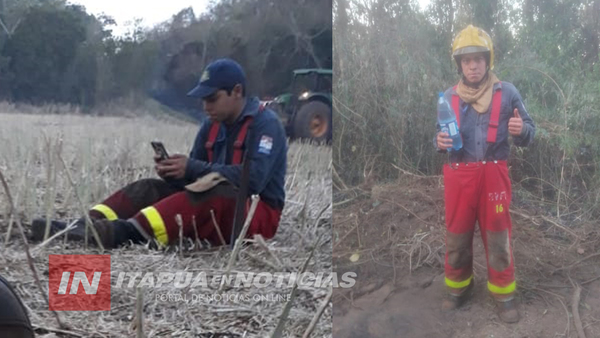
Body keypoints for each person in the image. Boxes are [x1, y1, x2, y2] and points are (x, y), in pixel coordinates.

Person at [31, 58, 287, 248]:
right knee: (147, 188)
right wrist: (174, 173)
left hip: (256, 217)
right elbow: (194, 182)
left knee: (216, 193)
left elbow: (252, 180)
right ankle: (83, 225)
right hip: (214, 205)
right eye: (203, 100)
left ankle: (124, 233)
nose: (205, 106)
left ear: (238, 92)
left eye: (212, 98)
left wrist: (192, 168)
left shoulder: (266, 125)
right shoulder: (210, 124)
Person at [434, 25, 535, 323]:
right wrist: (438, 142)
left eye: (478, 58)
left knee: (498, 235)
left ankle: (504, 294)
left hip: (495, 176)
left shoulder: (508, 92)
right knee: (457, 235)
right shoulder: (449, 97)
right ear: (459, 65)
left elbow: (530, 131)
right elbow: (440, 138)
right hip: (459, 176)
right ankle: (458, 289)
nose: (473, 65)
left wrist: (522, 130)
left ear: (488, 60)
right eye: (466, 60)